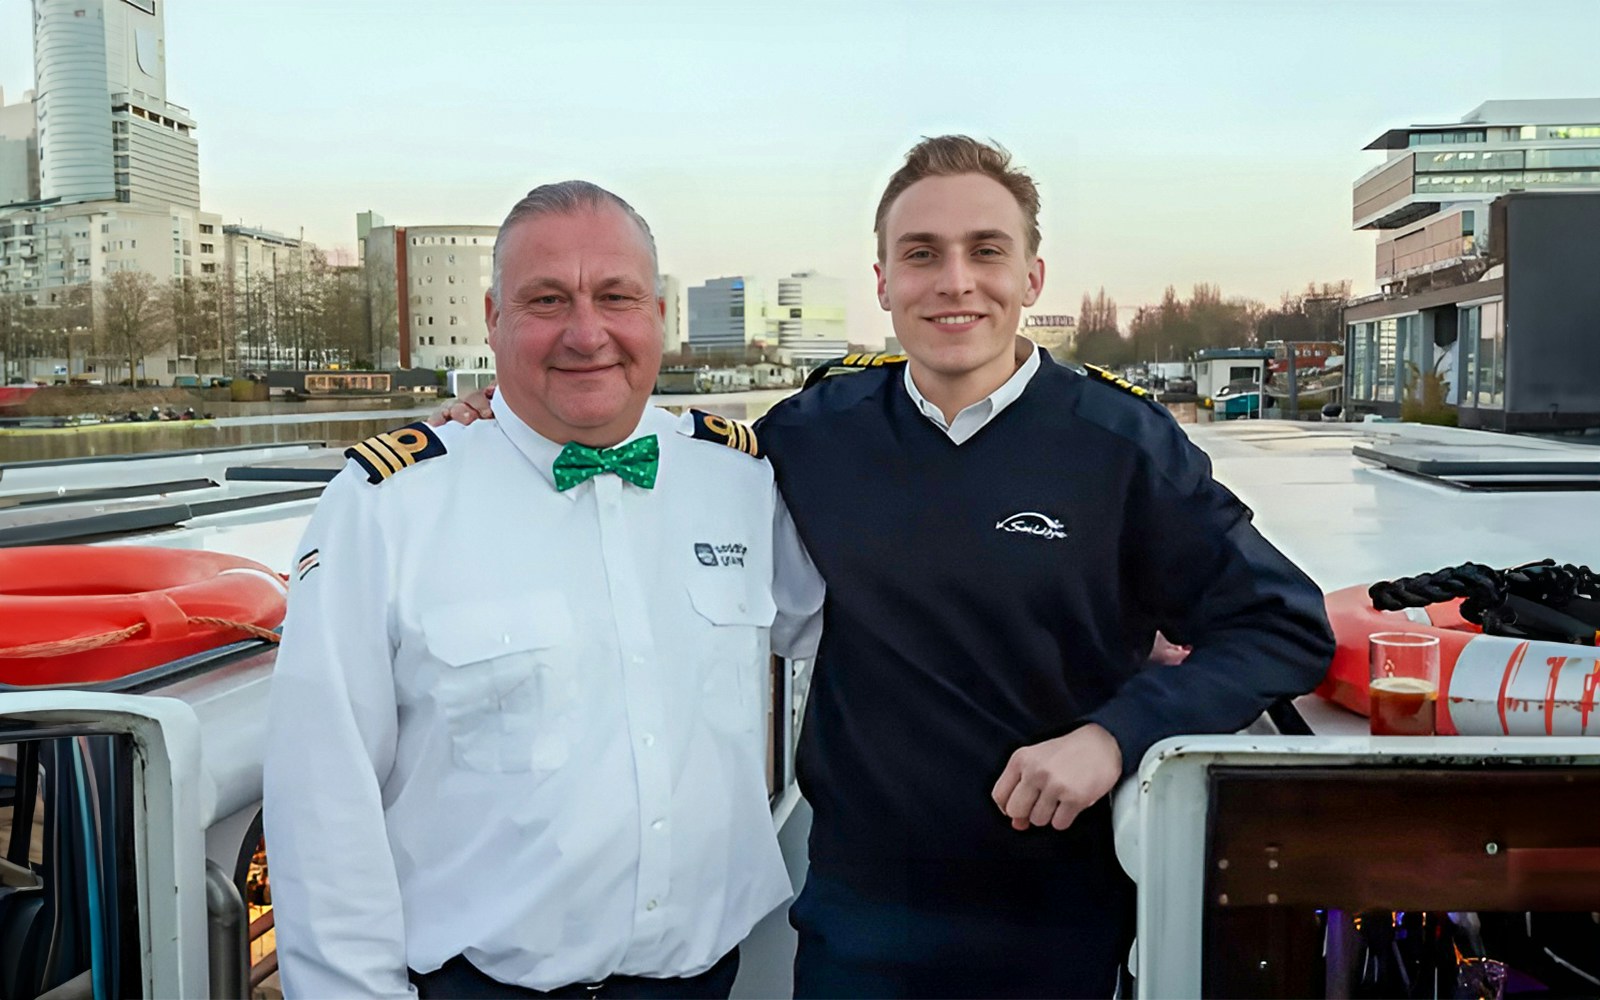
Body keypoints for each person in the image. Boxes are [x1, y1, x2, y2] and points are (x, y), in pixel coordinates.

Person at [441, 137, 1335, 998]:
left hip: (1055, 918)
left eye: (986, 250)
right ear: (883, 282)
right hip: (858, 919)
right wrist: (512, 416)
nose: (955, 282)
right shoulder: (812, 435)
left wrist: (1115, 734)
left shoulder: (1121, 447)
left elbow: (1281, 624)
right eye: (921, 254)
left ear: (1031, 276)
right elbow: (655, 454)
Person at [263, 180, 824, 999]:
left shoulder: (738, 478)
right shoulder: (390, 506)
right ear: (494, 318)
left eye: (616, 297)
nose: (587, 332)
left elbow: (859, 624)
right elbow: (323, 796)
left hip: (701, 980)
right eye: (548, 300)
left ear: (659, 313)